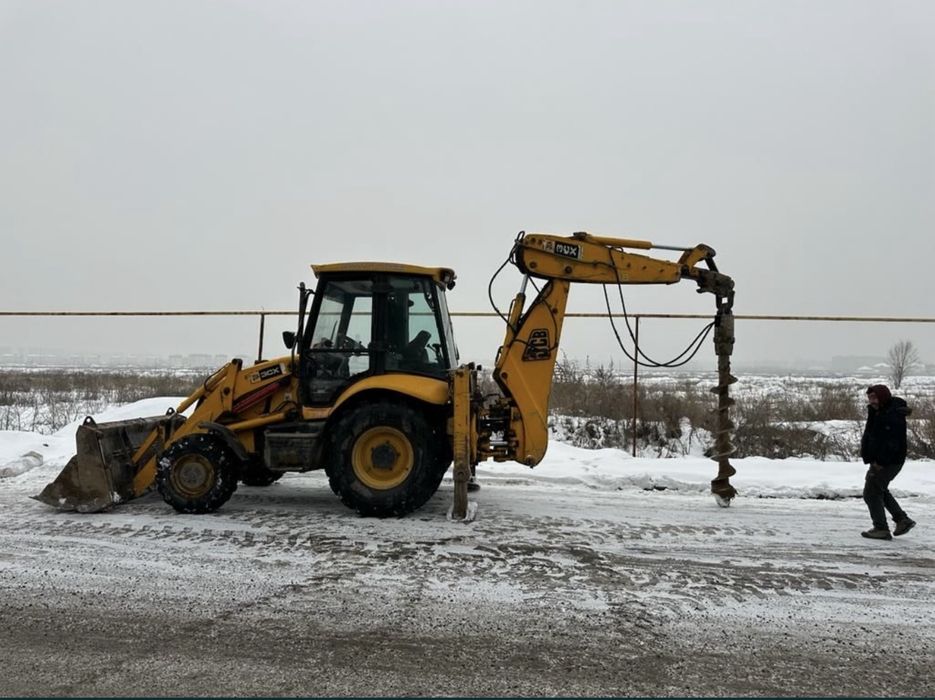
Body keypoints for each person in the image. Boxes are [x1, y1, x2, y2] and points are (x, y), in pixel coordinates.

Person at [859, 384, 916, 540]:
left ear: (883, 397)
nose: (872, 401)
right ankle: (902, 520)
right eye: (870, 398)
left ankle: (881, 528)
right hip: (882, 460)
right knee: (878, 489)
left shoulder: (891, 415)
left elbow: (892, 443)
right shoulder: (879, 411)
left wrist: (880, 461)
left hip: (888, 461)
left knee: (871, 492)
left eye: (875, 397)